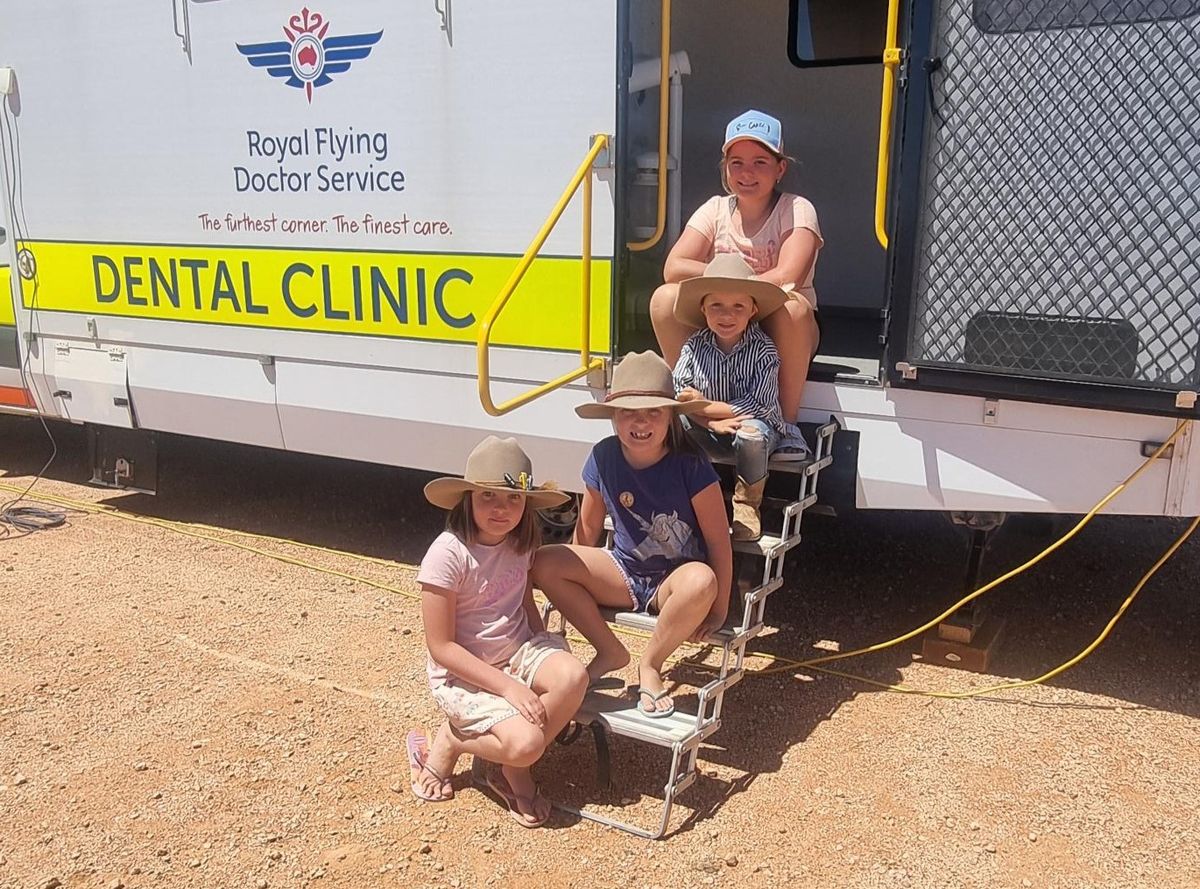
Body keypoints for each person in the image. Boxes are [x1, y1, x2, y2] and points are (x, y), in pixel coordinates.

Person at [531, 351, 733, 719]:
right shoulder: (603, 456)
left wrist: (718, 609)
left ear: (670, 416)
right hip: (624, 571)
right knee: (545, 560)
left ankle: (651, 663)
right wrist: (573, 586)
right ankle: (609, 651)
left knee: (702, 581)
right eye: (628, 412)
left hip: (674, 581)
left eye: (653, 411)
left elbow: (718, 539)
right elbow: (587, 532)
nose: (641, 422)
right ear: (613, 417)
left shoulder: (691, 464)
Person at [407, 436, 588, 828]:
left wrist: (544, 649)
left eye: (513, 498)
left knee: (573, 676)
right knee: (528, 743)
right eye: (488, 495)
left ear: (526, 504)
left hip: (515, 652)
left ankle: (511, 765)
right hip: (464, 673)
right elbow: (441, 647)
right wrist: (510, 688)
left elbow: (522, 601)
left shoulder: (520, 543)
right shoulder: (448, 553)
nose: (501, 509)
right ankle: (458, 740)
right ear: (468, 499)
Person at [649, 108, 823, 452]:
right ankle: (694, 411)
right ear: (725, 168)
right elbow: (674, 267)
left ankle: (784, 428)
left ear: (780, 168)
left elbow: (789, 276)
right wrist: (727, 282)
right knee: (664, 298)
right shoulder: (714, 209)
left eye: (760, 162)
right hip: (724, 324)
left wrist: (735, 285)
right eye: (737, 162)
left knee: (793, 308)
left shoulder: (796, 208)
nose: (747, 173)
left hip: (780, 328)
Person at [672, 252, 796, 541]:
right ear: (703, 309)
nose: (726, 315)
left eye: (738, 306)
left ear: (753, 310)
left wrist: (705, 406)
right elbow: (681, 395)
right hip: (708, 428)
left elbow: (757, 404)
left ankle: (746, 506)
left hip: (755, 430)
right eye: (716, 305)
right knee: (671, 423)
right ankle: (681, 498)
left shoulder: (764, 350)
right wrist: (708, 421)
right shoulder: (694, 346)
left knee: (751, 434)